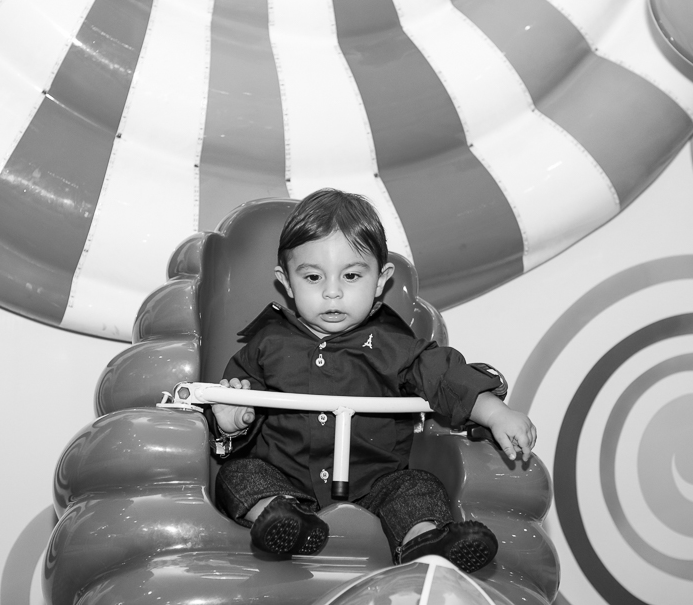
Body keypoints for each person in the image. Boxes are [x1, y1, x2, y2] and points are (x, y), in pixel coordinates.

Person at [210, 188, 537, 573]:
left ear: (380, 281)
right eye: (313, 277)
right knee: (237, 476)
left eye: (351, 275)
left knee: (418, 485)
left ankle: (424, 539)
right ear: (286, 282)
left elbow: (446, 377)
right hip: (285, 480)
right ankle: (282, 519)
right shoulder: (266, 346)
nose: (332, 292)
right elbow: (233, 405)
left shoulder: (394, 346)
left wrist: (495, 413)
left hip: (376, 487)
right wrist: (231, 421)